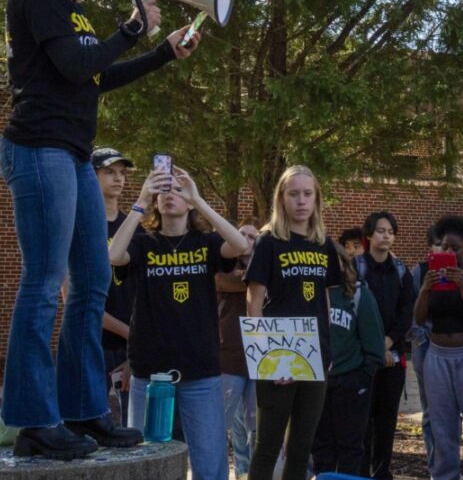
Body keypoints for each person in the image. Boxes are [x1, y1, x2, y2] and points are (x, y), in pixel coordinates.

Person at [0, 0, 200, 459]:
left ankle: (84, 411)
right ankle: (33, 422)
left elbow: (95, 76)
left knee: (91, 284)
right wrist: (132, 28)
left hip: (72, 154)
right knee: (44, 284)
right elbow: (73, 65)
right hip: (38, 149)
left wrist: (162, 52)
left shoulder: (72, 7)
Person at [108, 165, 249, 480]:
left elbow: (241, 246)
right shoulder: (143, 243)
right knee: (146, 463)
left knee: (209, 465)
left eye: (178, 190)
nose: (170, 195)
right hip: (151, 371)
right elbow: (114, 256)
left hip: (201, 370)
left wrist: (198, 199)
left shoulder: (206, 243)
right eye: (163, 190)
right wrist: (141, 200)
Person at [245, 165, 342, 480]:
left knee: (301, 448)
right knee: (268, 447)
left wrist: (326, 351)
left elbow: (324, 300)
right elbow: (253, 301)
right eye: (294, 194)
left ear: (316, 199)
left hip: (314, 355)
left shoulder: (324, 244)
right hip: (278, 355)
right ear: (281, 199)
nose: (301, 201)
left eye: (307, 194)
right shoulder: (268, 241)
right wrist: (268, 359)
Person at [414, 215, 463, 480]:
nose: (449, 252)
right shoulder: (430, 277)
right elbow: (419, 319)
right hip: (437, 355)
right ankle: (445, 474)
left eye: (455, 248)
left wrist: (462, 286)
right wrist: (425, 290)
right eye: (444, 246)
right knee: (442, 423)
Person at [313, 246, 387, 474]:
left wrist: (362, 377)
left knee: (351, 446)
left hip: (350, 381)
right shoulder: (308, 293)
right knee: (320, 446)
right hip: (316, 382)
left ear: (342, 262)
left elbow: (375, 345)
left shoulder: (357, 294)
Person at [357, 211, 416, 480]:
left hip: (393, 356)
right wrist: (375, 347)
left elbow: (407, 312)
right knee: (362, 420)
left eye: (391, 232)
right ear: (369, 235)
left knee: (386, 419)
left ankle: (381, 473)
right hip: (361, 357)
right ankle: (360, 473)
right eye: (381, 231)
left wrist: (389, 342)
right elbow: (351, 311)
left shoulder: (401, 271)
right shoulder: (356, 268)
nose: (386, 236)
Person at [91, 147, 138, 427]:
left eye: (121, 172)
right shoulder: (80, 225)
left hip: (132, 345)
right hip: (92, 342)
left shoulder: (134, 228)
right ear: (91, 176)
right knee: (91, 425)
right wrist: (132, 334)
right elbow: (73, 299)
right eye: (109, 172)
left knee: (135, 428)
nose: (118, 178)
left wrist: (136, 344)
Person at [215, 219, 260, 480]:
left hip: (259, 361)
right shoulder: (221, 269)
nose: (245, 239)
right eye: (241, 234)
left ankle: (250, 475)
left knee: (255, 429)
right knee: (220, 427)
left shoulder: (265, 270)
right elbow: (225, 281)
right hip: (227, 361)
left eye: (252, 237)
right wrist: (259, 278)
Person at [409, 224, 444, 468]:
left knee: (451, 407)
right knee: (431, 408)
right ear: (430, 248)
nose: (443, 250)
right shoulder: (419, 272)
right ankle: (436, 466)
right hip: (425, 343)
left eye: (449, 246)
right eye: (439, 245)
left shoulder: (462, 273)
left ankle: (450, 463)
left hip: (452, 344)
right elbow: (411, 311)